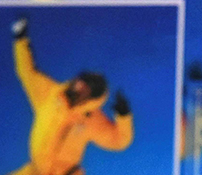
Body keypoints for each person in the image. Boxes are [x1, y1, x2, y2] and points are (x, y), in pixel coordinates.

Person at [8, 17, 134, 175]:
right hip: (36, 170)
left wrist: (123, 116)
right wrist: (20, 39)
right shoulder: (50, 94)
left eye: (88, 88)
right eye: (83, 81)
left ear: (92, 97)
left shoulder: (91, 119)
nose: (81, 86)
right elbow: (26, 71)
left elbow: (119, 140)